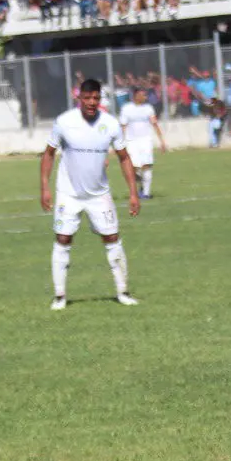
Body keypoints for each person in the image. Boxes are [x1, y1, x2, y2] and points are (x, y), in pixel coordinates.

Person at [40, 78, 141, 310]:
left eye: (96, 98)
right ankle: (59, 296)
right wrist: (45, 186)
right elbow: (47, 154)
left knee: (112, 238)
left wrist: (133, 193)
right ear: (79, 98)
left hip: (99, 194)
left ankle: (123, 292)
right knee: (63, 238)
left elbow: (124, 158)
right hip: (69, 193)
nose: (91, 102)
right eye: (87, 98)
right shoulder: (64, 122)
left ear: (100, 98)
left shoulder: (110, 124)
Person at [118, 87, 168, 200]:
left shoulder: (148, 108)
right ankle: (140, 186)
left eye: (145, 95)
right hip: (131, 141)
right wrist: (121, 142)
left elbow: (155, 124)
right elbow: (123, 126)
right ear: (135, 95)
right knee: (133, 168)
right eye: (142, 95)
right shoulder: (127, 108)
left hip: (145, 141)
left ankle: (146, 193)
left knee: (147, 166)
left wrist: (162, 141)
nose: (145, 97)